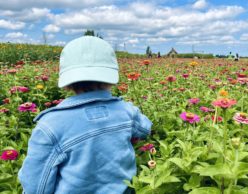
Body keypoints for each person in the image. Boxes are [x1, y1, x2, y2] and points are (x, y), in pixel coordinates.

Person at [18, 36, 152, 194]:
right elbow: (146, 129)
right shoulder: (125, 110)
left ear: (67, 83)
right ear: (111, 78)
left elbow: (35, 187)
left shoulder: (50, 125)